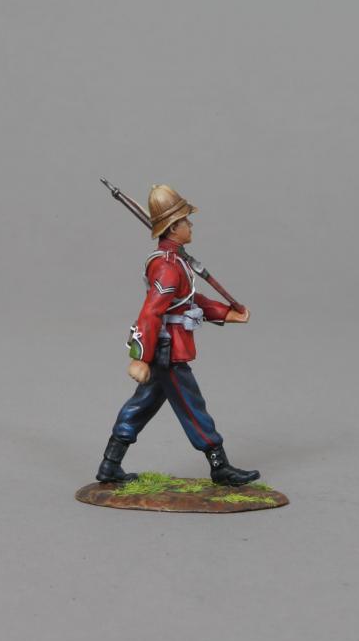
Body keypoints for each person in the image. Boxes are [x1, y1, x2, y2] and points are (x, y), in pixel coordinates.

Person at [96, 184, 260, 487]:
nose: (191, 225)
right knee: (192, 405)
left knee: (141, 406)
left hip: (166, 347)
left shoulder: (177, 262)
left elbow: (189, 302)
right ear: (173, 228)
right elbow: (151, 312)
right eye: (186, 221)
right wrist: (140, 358)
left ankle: (110, 464)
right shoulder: (168, 267)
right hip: (167, 350)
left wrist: (225, 313)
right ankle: (219, 466)